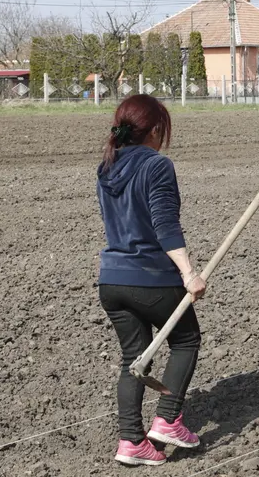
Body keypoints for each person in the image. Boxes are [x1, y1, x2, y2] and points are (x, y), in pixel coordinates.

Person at [95, 95, 207, 467]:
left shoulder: (106, 167)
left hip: (112, 280)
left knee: (135, 358)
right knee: (186, 340)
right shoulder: (157, 165)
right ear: (155, 129)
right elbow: (165, 225)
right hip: (150, 277)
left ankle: (131, 442)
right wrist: (188, 273)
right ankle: (169, 420)